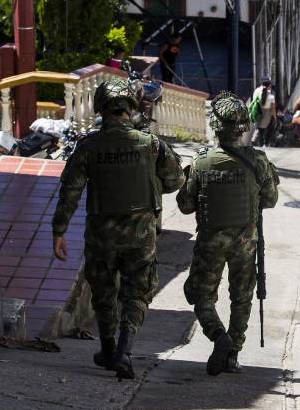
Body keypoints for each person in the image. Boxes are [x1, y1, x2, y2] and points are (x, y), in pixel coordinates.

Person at [52, 79, 184, 379]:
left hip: (102, 234)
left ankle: (109, 348)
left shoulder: (89, 147)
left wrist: (58, 231)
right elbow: (176, 181)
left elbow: (70, 191)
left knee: (103, 290)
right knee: (136, 293)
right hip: (141, 234)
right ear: (131, 108)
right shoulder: (151, 145)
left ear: (101, 109)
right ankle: (124, 351)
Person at [176, 91, 279, 376]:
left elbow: (184, 206)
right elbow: (270, 200)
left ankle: (218, 336)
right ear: (244, 127)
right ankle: (232, 353)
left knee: (200, 296)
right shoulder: (258, 161)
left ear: (216, 126)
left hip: (211, 241)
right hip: (246, 243)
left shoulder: (201, 163)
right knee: (242, 297)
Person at [249, 77, 277, 146]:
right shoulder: (270, 96)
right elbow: (273, 108)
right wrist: (275, 116)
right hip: (266, 112)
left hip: (256, 110)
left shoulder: (256, 90)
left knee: (259, 127)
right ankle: (264, 143)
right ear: (269, 85)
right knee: (267, 127)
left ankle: (257, 140)